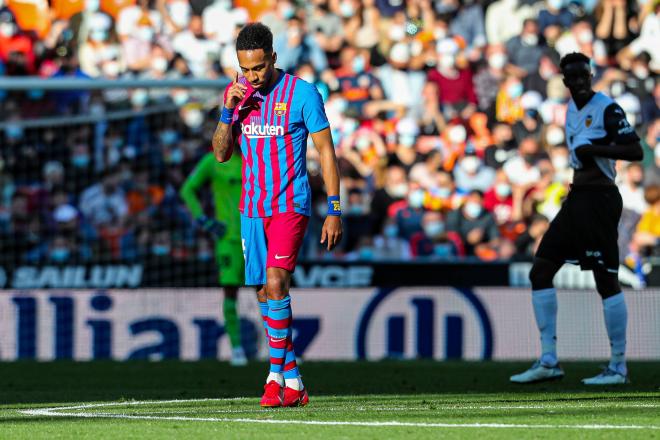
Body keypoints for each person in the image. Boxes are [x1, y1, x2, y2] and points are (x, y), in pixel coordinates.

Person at [211, 23, 342, 407]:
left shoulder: (302, 94)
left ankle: (273, 375)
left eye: (258, 68)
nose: (252, 76)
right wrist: (227, 111)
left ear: (273, 57)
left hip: (289, 205)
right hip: (251, 209)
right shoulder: (237, 95)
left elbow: (327, 154)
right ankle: (293, 379)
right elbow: (220, 154)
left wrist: (334, 208)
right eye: (245, 69)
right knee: (263, 290)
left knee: (276, 281)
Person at [510, 52, 643, 386]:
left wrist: (596, 149)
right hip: (576, 199)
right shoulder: (570, 109)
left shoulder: (607, 108)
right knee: (540, 269)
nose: (580, 81)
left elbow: (634, 150)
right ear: (565, 80)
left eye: (584, 75)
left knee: (605, 279)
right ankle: (549, 360)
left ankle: (618, 366)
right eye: (573, 77)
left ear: (591, 75)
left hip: (600, 199)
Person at [180, 149, 248, 367]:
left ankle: (279, 349)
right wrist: (203, 220)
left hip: (257, 235)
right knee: (230, 291)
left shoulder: (255, 157)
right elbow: (187, 190)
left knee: (269, 290)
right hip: (228, 239)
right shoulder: (213, 160)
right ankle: (237, 349)